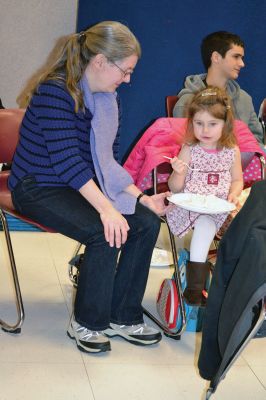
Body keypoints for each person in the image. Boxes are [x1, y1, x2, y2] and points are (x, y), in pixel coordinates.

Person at [8, 21, 170, 354]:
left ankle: (123, 315)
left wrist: (142, 198)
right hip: (36, 185)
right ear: (99, 61)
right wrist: (108, 209)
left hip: (78, 184)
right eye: (124, 71)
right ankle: (88, 321)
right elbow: (69, 164)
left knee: (146, 222)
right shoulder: (55, 91)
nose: (128, 80)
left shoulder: (109, 101)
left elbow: (107, 165)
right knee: (104, 228)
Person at [167, 87, 243, 306]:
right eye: (199, 123)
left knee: (242, 228)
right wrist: (178, 171)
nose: (205, 130)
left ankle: (233, 284)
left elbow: (237, 180)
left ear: (225, 124)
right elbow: (176, 188)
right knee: (205, 225)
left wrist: (233, 195)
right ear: (192, 123)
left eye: (212, 124)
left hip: (220, 207)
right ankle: (195, 289)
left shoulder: (232, 151)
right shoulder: (190, 148)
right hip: (191, 206)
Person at [173, 31, 264, 146]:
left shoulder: (245, 99)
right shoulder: (187, 102)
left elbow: (257, 141)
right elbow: (186, 145)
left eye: (242, 58)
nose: (242, 64)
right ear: (216, 57)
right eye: (236, 57)